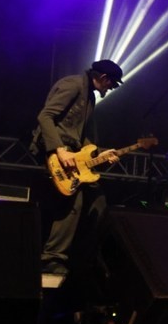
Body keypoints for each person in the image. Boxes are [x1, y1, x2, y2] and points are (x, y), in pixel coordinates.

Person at [31, 59, 125, 275]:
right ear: (103, 78)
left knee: (98, 202)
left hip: (71, 155)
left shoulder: (89, 96)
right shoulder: (73, 85)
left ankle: (81, 259)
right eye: (111, 84)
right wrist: (59, 150)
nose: (110, 88)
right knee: (74, 202)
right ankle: (52, 259)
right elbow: (45, 116)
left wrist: (100, 153)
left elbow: (79, 138)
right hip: (54, 154)